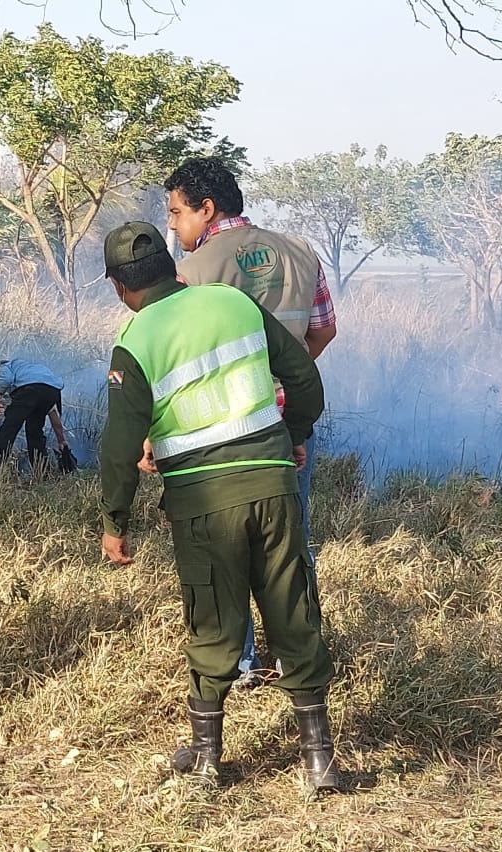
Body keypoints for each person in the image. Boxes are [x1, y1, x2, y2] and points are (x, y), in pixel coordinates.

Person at [99, 220, 340, 795]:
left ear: (118, 287)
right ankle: (319, 762)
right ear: (171, 269)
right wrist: (295, 431)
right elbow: (303, 377)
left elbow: (118, 444)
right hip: (275, 488)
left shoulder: (135, 342)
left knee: (212, 621)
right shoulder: (234, 304)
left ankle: (208, 760)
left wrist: (115, 522)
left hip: (204, 503)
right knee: (292, 609)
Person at [162, 156, 338, 687]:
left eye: (176, 212)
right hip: (286, 425)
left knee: (223, 545)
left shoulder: (189, 274)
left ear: (206, 209)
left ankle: (238, 663)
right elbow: (323, 330)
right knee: (291, 542)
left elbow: (176, 355)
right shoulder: (302, 252)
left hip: (221, 429)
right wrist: (284, 383)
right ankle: (294, 655)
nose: (172, 224)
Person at [0, 359, 73, 472]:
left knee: (9, 429)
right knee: (34, 432)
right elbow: (53, 413)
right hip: (52, 391)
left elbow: (5, 380)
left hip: (29, 391)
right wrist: (62, 441)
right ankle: (42, 472)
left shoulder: (5, 366)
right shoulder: (33, 370)